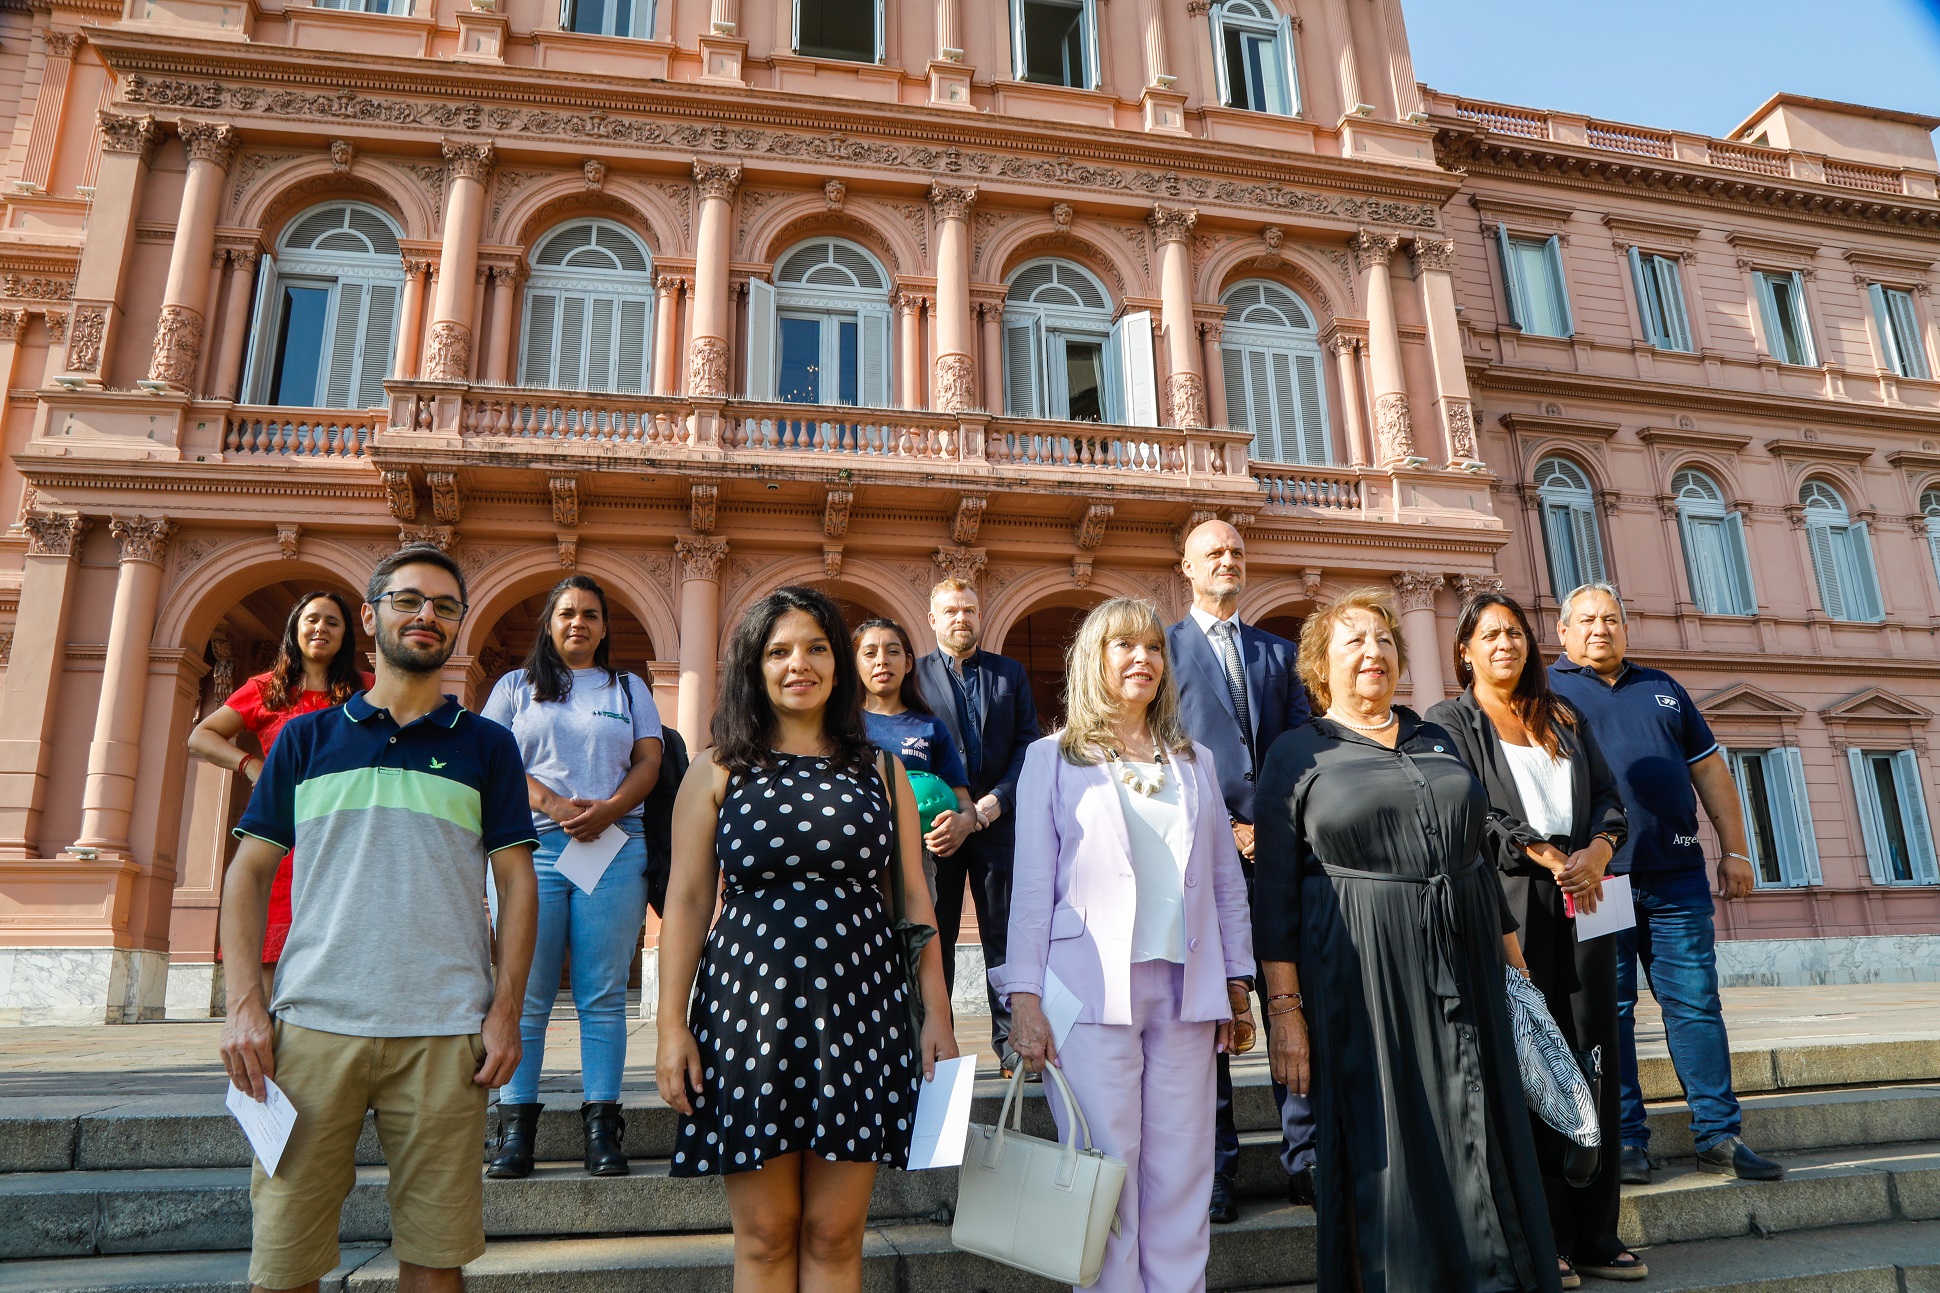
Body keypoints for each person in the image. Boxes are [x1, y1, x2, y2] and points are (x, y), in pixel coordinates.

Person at [217, 545, 539, 1293]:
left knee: (435, 1255)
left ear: (458, 625)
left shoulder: (487, 744)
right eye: (407, 599)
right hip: (311, 1029)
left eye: (445, 605)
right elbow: (248, 874)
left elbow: (517, 884)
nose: (426, 615)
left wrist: (507, 1009)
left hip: (445, 1032)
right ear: (371, 615)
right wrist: (243, 1005)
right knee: (285, 1259)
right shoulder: (305, 739)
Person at [1254, 587, 1560, 1293]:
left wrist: (1518, 973)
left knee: (1478, 1121)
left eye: (1385, 640)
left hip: (1469, 963)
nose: (1374, 652)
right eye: (1353, 641)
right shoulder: (1297, 753)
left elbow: (1477, 856)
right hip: (1362, 975)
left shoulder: (1437, 735)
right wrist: (1284, 1008)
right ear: (1321, 667)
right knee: (1389, 1137)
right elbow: (1274, 893)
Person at [656, 585, 957, 1293]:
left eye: (817, 647)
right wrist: (672, 1024)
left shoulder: (882, 772)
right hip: (747, 1016)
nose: (800, 663)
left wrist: (936, 1012)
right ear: (753, 667)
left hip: (860, 1013)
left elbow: (913, 896)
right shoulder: (717, 768)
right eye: (779, 650)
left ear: (838, 663)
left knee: (833, 1233)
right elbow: (689, 897)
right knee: (763, 1237)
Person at [1002, 596, 1254, 1293]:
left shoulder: (1194, 759)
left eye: (1152, 647)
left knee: (1181, 1170)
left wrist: (1238, 980)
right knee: (1104, 1171)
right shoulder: (1050, 758)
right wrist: (1024, 996)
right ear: (1095, 660)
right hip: (1088, 993)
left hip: (1187, 988)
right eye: (1123, 646)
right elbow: (1029, 888)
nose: (1141, 658)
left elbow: (1226, 882)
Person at [1427, 593, 1646, 1285]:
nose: (1504, 644)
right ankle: (1540, 1233)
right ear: (1464, 648)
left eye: (1514, 632)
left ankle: (1597, 1231)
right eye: (1489, 634)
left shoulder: (1564, 715)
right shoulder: (1449, 721)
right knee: (1528, 1060)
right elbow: (1470, 811)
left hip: (1595, 896)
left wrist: (1601, 851)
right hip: (1513, 902)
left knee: (1597, 1051)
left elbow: (1611, 797)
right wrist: (1549, 854)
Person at [1548, 582, 1784, 1186]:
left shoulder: (1664, 689)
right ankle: (1626, 1141)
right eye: (1586, 621)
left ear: (1626, 628)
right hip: (1600, 883)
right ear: (1563, 633)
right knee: (1613, 1011)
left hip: (1678, 876)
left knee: (1696, 1005)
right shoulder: (1547, 692)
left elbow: (1709, 768)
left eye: (1611, 619)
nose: (1600, 629)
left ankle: (1719, 1136)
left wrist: (1734, 851)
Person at [480, 575, 664, 1180]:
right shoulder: (515, 686)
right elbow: (494, 761)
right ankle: (515, 1128)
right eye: (566, 613)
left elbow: (649, 760)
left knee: (603, 992)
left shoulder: (627, 686)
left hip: (613, 844)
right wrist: (556, 807)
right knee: (525, 993)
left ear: (604, 626)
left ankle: (603, 1127)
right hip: (528, 847)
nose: (577, 623)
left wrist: (608, 809)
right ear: (550, 623)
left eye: (589, 614)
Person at [1165, 518, 1316, 1221]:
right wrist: (1225, 827)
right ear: (1186, 568)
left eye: (1236, 552)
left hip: (1279, 856)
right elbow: (1163, 754)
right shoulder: (1161, 652)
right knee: (1208, 1018)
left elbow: (1299, 753)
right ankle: (1216, 1168)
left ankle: (1306, 1158)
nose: (1228, 560)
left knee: (1293, 1003)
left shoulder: (1279, 654)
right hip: (1198, 858)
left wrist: (1274, 827)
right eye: (1214, 553)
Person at [188, 591, 373, 1001]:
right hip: (282, 835)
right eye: (311, 619)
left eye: (332, 622)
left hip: (348, 834)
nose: (320, 628)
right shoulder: (266, 689)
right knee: (272, 976)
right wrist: (252, 766)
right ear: (295, 628)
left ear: (346, 636)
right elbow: (201, 736)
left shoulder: (366, 690)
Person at [916, 577, 1041, 1070]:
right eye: (949, 611)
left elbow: (1026, 746)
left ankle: (1012, 1045)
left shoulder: (1010, 674)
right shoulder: (914, 676)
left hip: (998, 826)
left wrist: (988, 808)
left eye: (968, 610)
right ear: (932, 619)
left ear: (979, 616)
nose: (960, 618)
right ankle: (934, 1046)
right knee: (935, 938)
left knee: (1003, 938)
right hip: (935, 833)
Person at [854, 616, 977, 900]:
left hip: (914, 862)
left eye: (893, 651)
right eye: (870, 653)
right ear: (855, 665)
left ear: (908, 663)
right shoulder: (839, 727)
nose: (882, 661)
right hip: (851, 856)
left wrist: (962, 824)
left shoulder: (930, 727)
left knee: (915, 942)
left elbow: (964, 805)